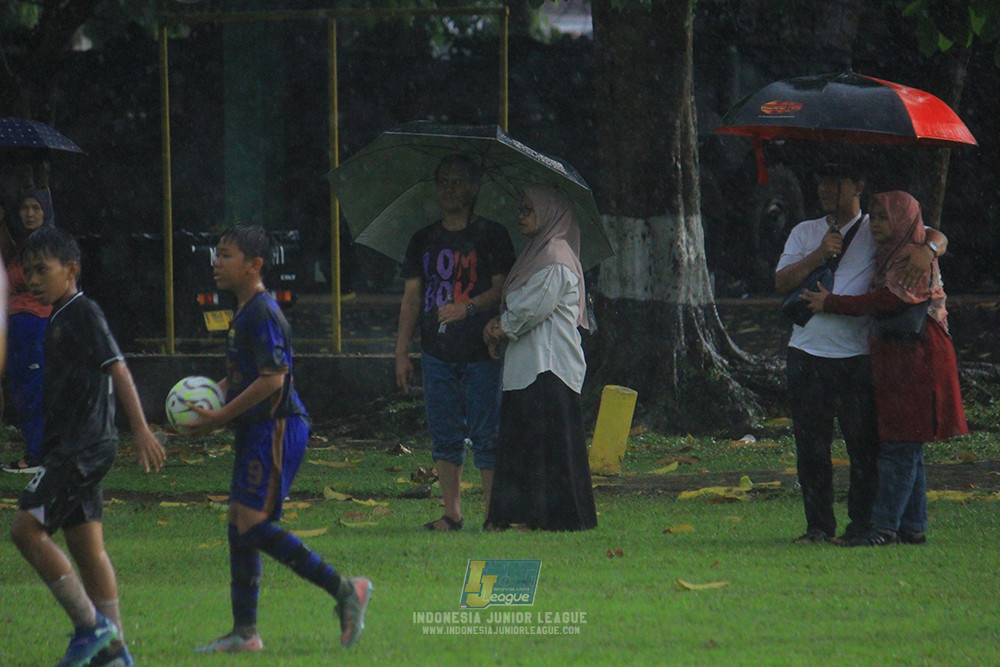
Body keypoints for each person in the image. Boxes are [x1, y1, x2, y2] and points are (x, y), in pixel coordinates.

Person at [188, 223, 372, 653]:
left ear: (254, 266)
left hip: (278, 427)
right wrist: (214, 391)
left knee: (252, 523)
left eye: (226, 254)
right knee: (238, 521)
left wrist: (218, 418)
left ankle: (346, 589)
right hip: (256, 429)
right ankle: (244, 634)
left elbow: (273, 380)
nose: (216, 262)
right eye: (216, 253)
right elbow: (248, 374)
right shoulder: (244, 311)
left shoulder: (264, 312)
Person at [9, 225, 166, 667]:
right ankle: (115, 653)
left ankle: (91, 626)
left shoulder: (81, 311)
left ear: (71, 270)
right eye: (27, 272)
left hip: (81, 448)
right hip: (78, 447)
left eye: (43, 270)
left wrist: (140, 429)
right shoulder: (58, 315)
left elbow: (117, 368)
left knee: (25, 530)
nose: (33, 279)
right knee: (86, 548)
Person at [774, 162, 946, 544]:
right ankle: (818, 525)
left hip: (856, 356)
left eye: (835, 184)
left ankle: (862, 523)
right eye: (821, 182)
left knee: (863, 448)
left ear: (857, 186)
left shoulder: (879, 227)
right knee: (812, 448)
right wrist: (819, 254)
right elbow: (781, 280)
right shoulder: (806, 231)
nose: (824, 191)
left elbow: (933, 234)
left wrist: (929, 249)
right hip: (806, 352)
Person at [801, 191, 967, 547]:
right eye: (873, 217)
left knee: (899, 445)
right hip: (901, 357)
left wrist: (831, 302)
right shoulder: (898, 249)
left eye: (884, 217)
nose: (875, 224)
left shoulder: (912, 257)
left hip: (919, 357)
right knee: (907, 443)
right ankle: (912, 526)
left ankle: (883, 527)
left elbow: (888, 300)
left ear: (904, 220)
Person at [395, 154, 516, 531]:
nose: (449, 188)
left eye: (457, 181)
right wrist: (402, 351)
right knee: (444, 433)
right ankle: (452, 513)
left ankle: (494, 515)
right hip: (435, 353)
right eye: (442, 180)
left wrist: (469, 307)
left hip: (482, 351)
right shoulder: (423, 239)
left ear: (474, 188)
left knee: (487, 433)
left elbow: (501, 290)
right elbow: (412, 297)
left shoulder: (492, 235)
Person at [482, 185, 597, 532]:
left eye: (529, 210)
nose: (521, 216)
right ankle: (525, 515)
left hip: (549, 367)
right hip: (530, 365)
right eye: (521, 209)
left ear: (549, 213)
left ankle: (550, 517)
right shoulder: (536, 252)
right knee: (527, 444)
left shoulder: (556, 257)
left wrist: (499, 327)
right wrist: (500, 326)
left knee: (547, 447)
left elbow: (533, 307)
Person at [2, 189, 56, 473]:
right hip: (19, 323)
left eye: (36, 208)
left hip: (35, 322)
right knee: (22, 388)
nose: (30, 214)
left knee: (33, 389)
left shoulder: (46, 244)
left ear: (45, 212)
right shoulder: (25, 244)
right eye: (25, 208)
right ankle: (35, 451)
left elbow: (27, 276)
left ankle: (36, 456)